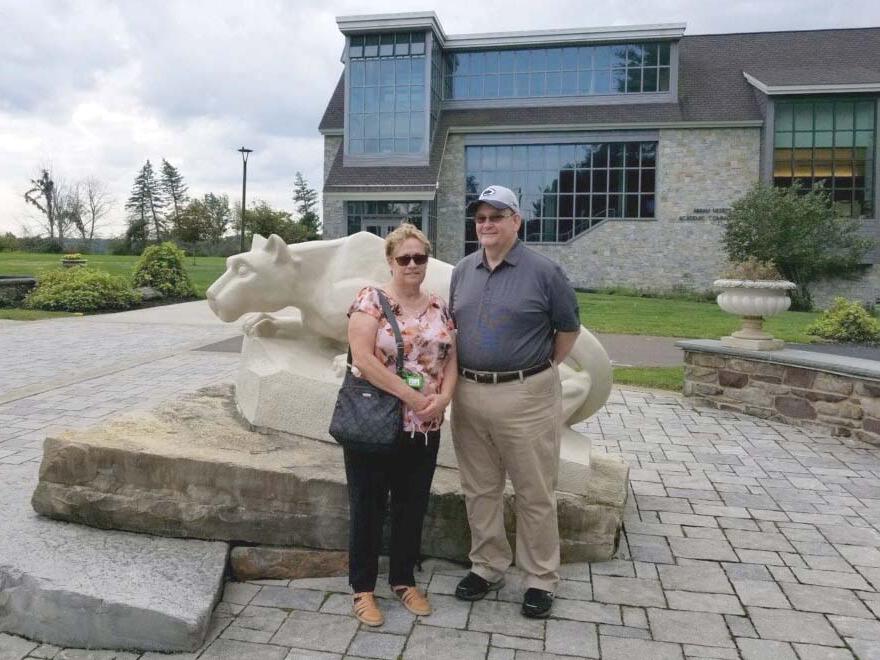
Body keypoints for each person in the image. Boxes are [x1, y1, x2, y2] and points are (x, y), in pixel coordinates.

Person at [449, 185, 581, 618]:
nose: (486, 224)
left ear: (516, 221)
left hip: (526, 396)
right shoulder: (463, 270)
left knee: (534, 491)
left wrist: (534, 373)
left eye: (496, 216)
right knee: (479, 489)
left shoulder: (545, 272)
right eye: (481, 218)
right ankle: (487, 566)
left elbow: (567, 331)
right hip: (469, 394)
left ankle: (541, 578)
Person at [344, 223, 457, 627]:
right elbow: (363, 358)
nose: (412, 264)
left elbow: (451, 358)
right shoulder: (371, 300)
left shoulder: (440, 306)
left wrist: (443, 399)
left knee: (412, 506)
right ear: (391, 261)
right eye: (404, 258)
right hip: (376, 424)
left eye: (419, 258)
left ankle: (403, 580)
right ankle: (363, 589)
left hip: (425, 427)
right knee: (368, 506)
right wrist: (412, 397)